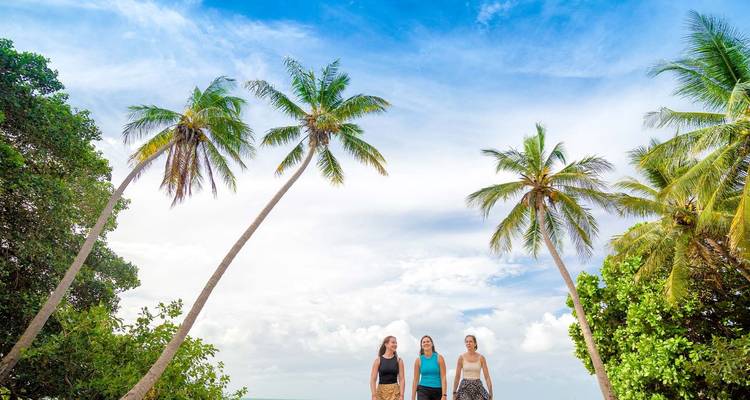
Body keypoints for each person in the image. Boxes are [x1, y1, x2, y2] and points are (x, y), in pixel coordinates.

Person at [452, 335, 493, 400]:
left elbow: (487, 377)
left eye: (470, 341)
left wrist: (491, 392)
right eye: (467, 342)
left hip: (478, 386)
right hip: (465, 386)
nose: (468, 343)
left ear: (475, 343)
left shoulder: (481, 358)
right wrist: (454, 392)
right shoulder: (461, 358)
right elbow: (457, 376)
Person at [412, 335, 447, 400]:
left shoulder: (439, 358)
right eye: (424, 342)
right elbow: (415, 380)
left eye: (428, 341)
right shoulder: (418, 360)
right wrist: (413, 397)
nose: (426, 343)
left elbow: (443, 377)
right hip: (423, 389)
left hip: (437, 390)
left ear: (432, 344)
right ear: (421, 345)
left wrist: (444, 395)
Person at [370, 336, 405, 400]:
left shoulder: (399, 360)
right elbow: (373, 379)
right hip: (381, 392)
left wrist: (402, 395)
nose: (395, 345)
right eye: (393, 342)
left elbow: (402, 379)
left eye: (396, 343)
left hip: (395, 392)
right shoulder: (378, 361)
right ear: (386, 344)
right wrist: (374, 395)